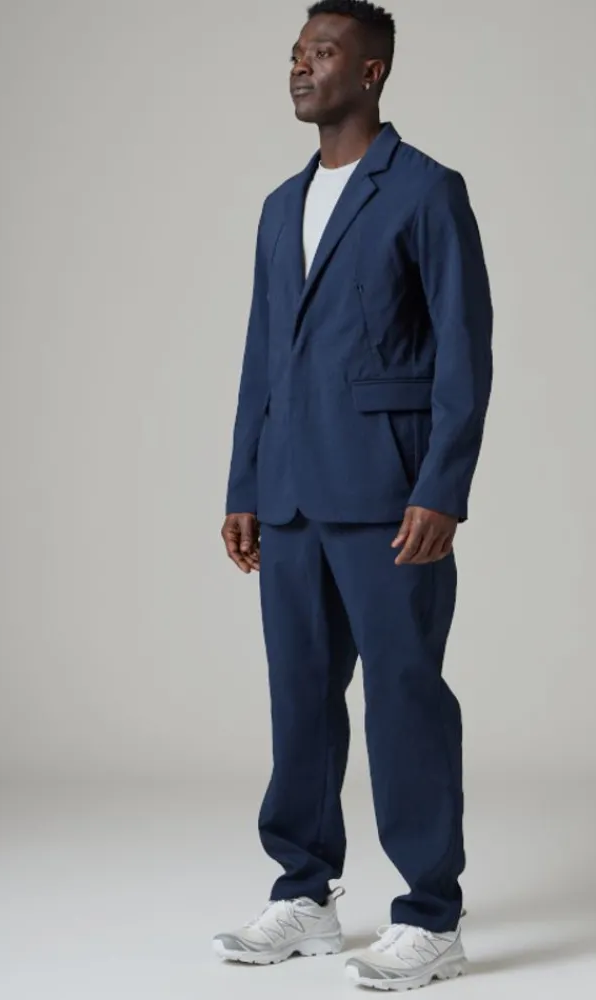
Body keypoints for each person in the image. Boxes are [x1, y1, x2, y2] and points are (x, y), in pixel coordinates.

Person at [214, 0, 493, 990]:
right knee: (299, 697)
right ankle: (305, 894)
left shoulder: (424, 190)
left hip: (388, 494)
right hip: (290, 494)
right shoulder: (277, 206)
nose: (300, 66)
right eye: (296, 52)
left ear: (370, 72)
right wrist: (244, 481)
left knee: (404, 697)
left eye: (322, 52)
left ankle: (431, 915)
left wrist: (442, 487)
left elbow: (463, 351)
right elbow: (263, 356)